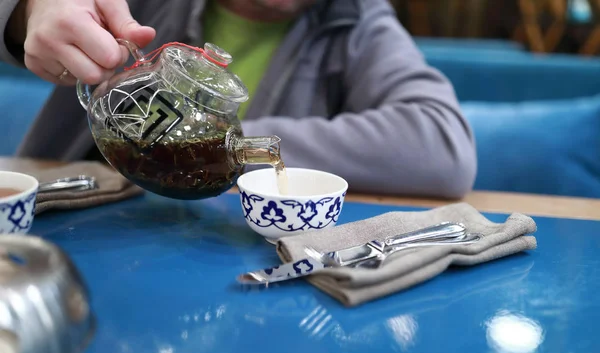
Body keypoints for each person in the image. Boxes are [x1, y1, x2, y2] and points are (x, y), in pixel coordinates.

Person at [0, 0, 477, 198]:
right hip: (65, 212)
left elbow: (443, 144)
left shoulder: (355, 21)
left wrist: (227, 149)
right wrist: (30, 12)